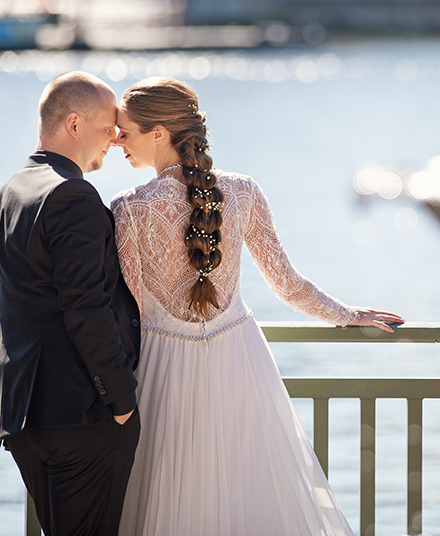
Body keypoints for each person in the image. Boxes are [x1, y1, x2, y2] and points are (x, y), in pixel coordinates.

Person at [110, 76, 404, 536]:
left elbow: (128, 310)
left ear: (160, 133)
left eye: (125, 132)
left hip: (163, 370)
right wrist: (348, 315)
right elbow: (287, 285)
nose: (117, 141)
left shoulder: (128, 208)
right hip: (239, 364)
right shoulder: (243, 191)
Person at [0, 71, 142, 536]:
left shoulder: (10, 194)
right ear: (73, 124)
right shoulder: (73, 196)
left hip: (25, 416)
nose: (115, 141)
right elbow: (85, 308)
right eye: (107, 128)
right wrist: (122, 402)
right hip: (81, 416)